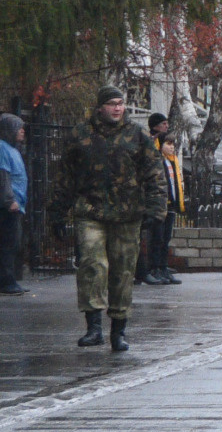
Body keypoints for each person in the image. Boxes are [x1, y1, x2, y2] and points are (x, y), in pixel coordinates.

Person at [65, 87, 166, 353]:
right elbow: (65, 176)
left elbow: (155, 173)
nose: (117, 108)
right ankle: (94, 327)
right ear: (100, 107)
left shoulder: (138, 135)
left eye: (121, 104)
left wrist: (156, 210)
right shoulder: (80, 135)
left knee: (122, 271)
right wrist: (56, 211)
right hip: (91, 211)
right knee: (92, 264)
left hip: (127, 214)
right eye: (112, 104)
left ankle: (118, 331)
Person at [0, 115, 32, 295]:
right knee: (9, 242)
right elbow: (1, 176)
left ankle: (10, 279)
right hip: (8, 205)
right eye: (18, 128)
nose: (22, 131)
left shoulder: (12, 149)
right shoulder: (1, 149)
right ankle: (5, 282)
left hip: (16, 203)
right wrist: (9, 200)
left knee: (14, 242)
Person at [142, 113, 186, 285]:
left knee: (165, 238)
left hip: (170, 204)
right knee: (157, 238)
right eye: (168, 144)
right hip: (158, 204)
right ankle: (155, 268)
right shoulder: (155, 155)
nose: (172, 147)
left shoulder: (171, 161)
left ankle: (162, 267)